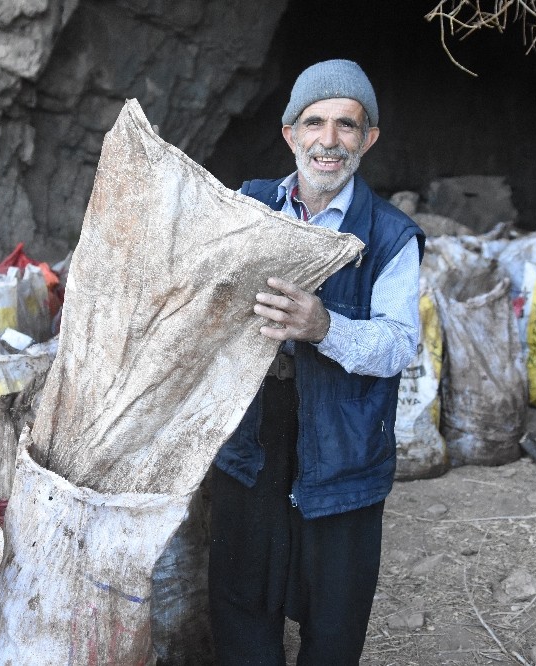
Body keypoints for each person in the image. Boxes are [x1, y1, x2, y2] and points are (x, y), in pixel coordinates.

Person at [209, 59, 425, 665]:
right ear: (290, 134)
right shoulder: (250, 206)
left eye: (346, 126)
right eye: (315, 123)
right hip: (248, 434)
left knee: (335, 611)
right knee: (240, 594)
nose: (329, 141)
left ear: (368, 138)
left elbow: (398, 344)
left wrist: (323, 327)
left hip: (343, 442)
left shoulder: (390, 235)